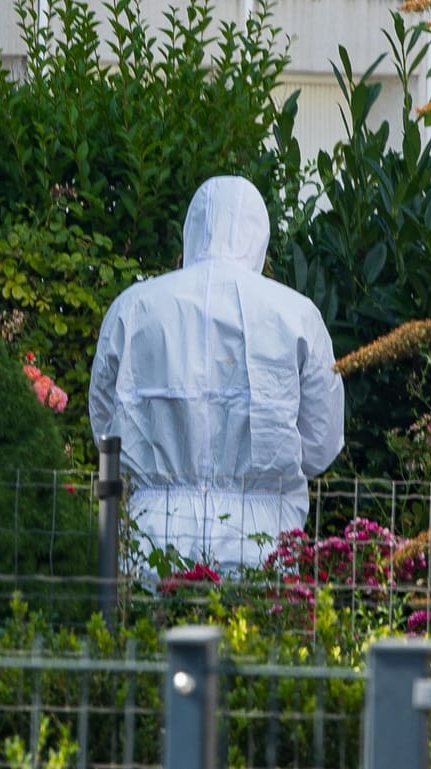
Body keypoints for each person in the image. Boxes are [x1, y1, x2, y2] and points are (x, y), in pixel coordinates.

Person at [88, 175, 344, 570]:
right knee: (258, 629)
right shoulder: (296, 315)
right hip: (262, 537)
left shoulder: (133, 308)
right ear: (259, 234)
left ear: (191, 228)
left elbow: (105, 427)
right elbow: (321, 441)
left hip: (152, 532)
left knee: (145, 630)